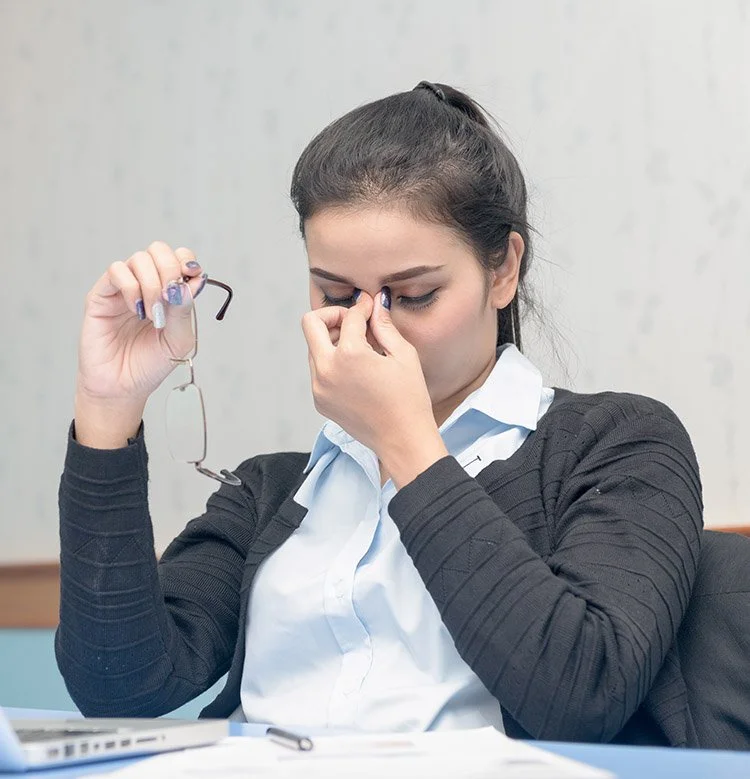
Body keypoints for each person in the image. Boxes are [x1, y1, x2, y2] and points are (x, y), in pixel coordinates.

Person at [56, 81, 703, 746]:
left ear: (503, 270)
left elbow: (583, 693)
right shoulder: (272, 491)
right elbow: (118, 683)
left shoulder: (619, 445)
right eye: (335, 292)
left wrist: (405, 442)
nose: (367, 324)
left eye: (415, 294)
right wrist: (108, 405)